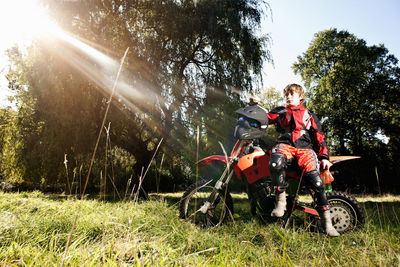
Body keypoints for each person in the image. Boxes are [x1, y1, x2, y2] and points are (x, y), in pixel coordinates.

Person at [267, 84, 340, 237]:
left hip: (305, 149)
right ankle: (281, 202)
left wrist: (324, 157)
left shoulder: (309, 114)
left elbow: (319, 137)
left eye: (291, 94)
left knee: (318, 183)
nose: (288, 97)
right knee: (274, 163)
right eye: (286, 94)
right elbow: (264, 118)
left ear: (300, 96)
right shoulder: (279, 111)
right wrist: (251, 114)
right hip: (284, 146)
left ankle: (327, 224)